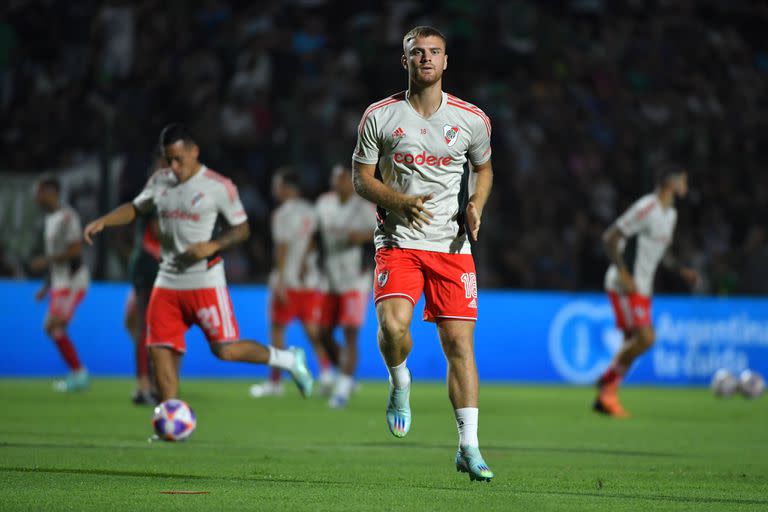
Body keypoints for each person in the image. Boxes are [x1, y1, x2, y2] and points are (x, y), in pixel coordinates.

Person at [351, 26, 495, 481]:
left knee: (459, 347)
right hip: (398, 243)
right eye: (417, 53)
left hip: (452, 248)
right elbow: (361, 179)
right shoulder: (380, 116)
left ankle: (468, 446)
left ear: (446, 61)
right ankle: (400, 381)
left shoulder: (472, 120)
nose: (426, 59)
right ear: (405, 61)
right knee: (393, 326)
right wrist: (398, 201)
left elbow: (484, 168)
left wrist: (476, 203)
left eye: (434, 52)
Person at [83, 124, 314, 402]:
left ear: (194, 152)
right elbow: (136, 207)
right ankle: (170, 416)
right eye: (169, 159)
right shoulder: (160, 181)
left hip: (204, 280)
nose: (174, 166)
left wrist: (212, 246)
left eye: (179, 158)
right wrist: (104, 221)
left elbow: (242, 229)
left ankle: (287, 359)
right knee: (158, 348)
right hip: (167, 280)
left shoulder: (218, 186)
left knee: (225, 350)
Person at [595, 164, 699, 417]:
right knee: (645, 338)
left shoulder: (670, 214)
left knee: (633, 343)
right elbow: (610, 238)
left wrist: (681, 270)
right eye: (683, 180)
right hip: (625, 284)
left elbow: (662, 254)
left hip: (643, 287)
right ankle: (606, 381)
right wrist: (622, 271)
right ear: (671, 183)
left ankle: (607, 396)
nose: (685, 186)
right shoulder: (647, 207)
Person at [249, 168, 331, 398]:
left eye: (277, 185)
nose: (275, 190)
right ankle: (326, 375)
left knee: (277, 331)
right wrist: (306, 262)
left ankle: (275, 383)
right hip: (310, 281)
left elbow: (282, 248)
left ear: (286, 188)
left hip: (290, 282)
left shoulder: (282, 214)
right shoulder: (311, 210)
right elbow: (314, 242)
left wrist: (281, 280)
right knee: (312, 331)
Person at [315, 164, 376, 408]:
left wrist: (361, 237)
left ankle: (342, 387)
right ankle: (346, 375)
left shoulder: (364, 206)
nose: (338, 183)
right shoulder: (323, 204)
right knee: (323, 333)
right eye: (336, 178)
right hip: (330, 278)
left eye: (343, 178)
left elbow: (382, 231)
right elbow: (316, 235)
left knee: (350, 332)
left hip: (355, 278)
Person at [29, 175, 90, 392]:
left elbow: (75, 250)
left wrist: (46, 261)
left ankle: (79, 374)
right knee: (54, 329)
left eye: (40, 192)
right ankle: (78, 374)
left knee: (53, 325)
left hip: (73, 281)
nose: (36, 196)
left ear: (51, 192)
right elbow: (57, 256)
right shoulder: (50, 219)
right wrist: (46, 287)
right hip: (58, 283)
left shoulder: (67, 217)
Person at [123, 185, 161, 405]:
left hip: (155, 272)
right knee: (140, 326)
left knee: (147, 329)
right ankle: (150, 383)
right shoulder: (157, 197)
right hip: (149, 272)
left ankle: (150, 383)